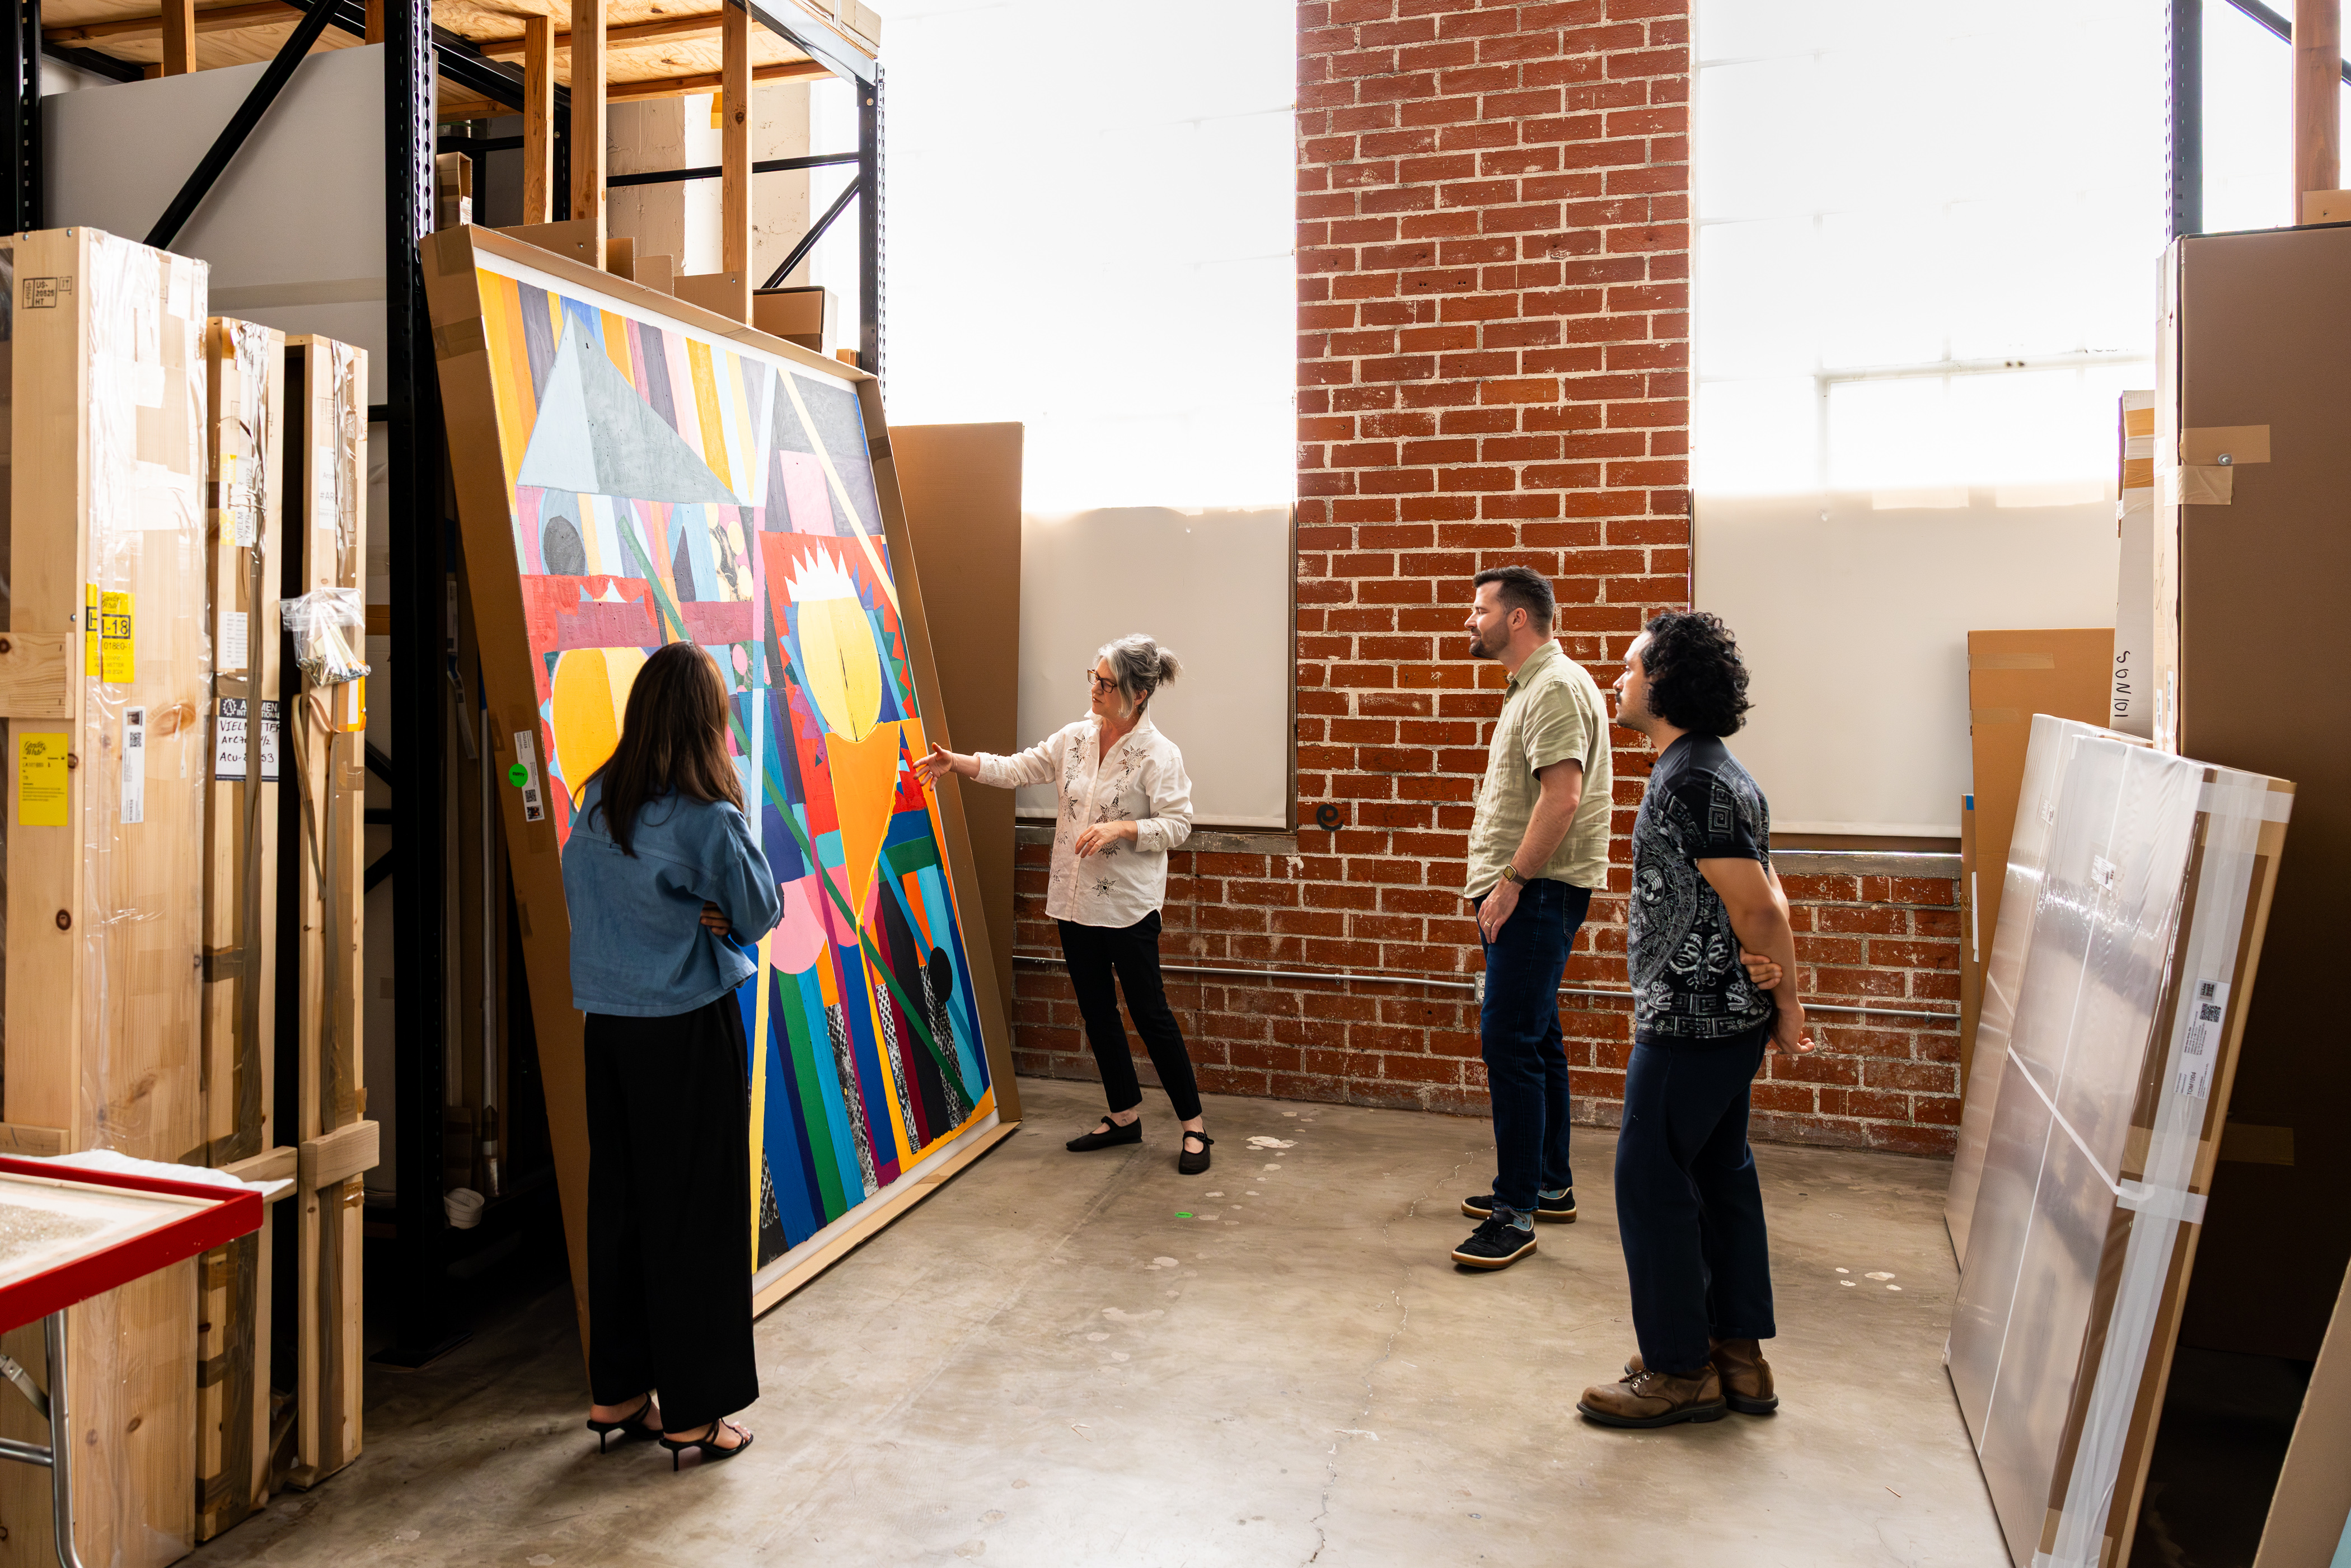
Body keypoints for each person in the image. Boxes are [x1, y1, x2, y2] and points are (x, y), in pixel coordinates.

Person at [1576, 611, 1814, 1430]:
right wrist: (1779, 997)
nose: (1620, 678)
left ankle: (1680, 1369)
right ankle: (1736, 1356)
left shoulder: (1693, 779)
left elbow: (1758, 902)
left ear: (1668, 681)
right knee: (1717, 1174)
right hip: (1715, 1015)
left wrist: (1790, 1001)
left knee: (1649, 1178)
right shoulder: (1708, 770)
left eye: (1632, 667)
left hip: (1695, 1020)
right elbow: (1766, 893)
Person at [563, 641, 782, 1469]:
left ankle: (618, 1391)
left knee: (619, 1203)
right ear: (707, 720)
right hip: (685, 1024)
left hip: (608, 1027)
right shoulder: (707, 818)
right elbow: (758, 911)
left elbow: (592, 900)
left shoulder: (595, 804)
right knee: (698, 1216)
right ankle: (695, 1412)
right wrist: (715, 912)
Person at [915, 635, 1210, 1172]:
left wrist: (1122, 827)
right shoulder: (1075, 738)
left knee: (1150, 1014)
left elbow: (1180, 824)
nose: (1095, 690)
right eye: (1093, 678)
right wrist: (956, 762)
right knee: (1097, 1012)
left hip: (1128, 906)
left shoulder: (1159, 755)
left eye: (1107, 683)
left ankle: (1194, 1127)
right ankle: (1124, 1115)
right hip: (1073, 902)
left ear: (1139, 693)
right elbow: (1018, 768)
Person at [1448, 567, 1614, 1271]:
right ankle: (1548, 1182)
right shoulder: (1536, 685)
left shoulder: (1552, 686)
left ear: (1517, 618)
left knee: (1509, 1040)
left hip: (1538, 891)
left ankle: (1515, 1214)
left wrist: (1512, 881)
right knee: (1537, 1035)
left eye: (1479, 609)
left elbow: (1563, 796)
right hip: (1532, 889)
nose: (1469, 620)